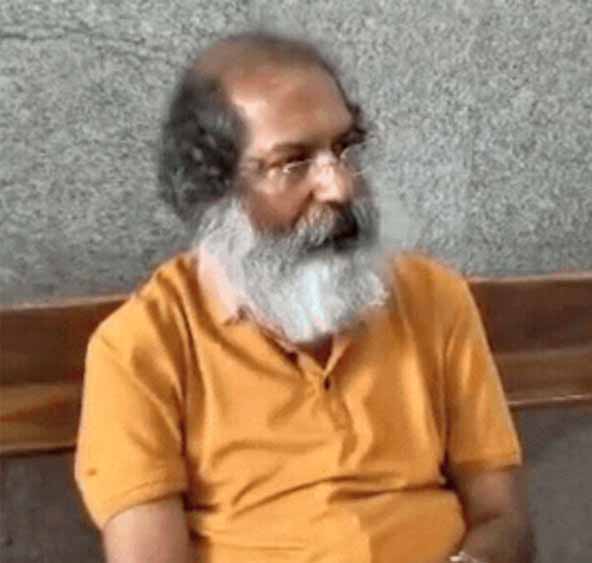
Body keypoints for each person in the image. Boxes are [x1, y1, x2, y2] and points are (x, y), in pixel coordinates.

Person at [74, 30, 534, 563]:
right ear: (213, 188)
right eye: (292, 163)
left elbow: (504, 520)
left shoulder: (435, 299)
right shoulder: (139, 350)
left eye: (345, 148)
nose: (339, 186)